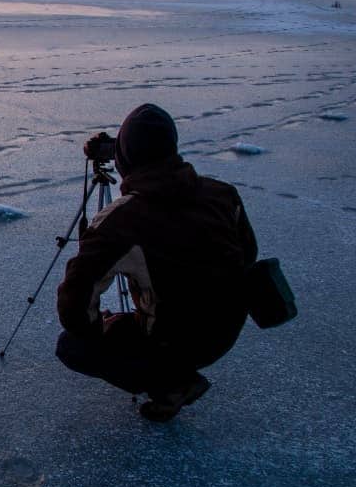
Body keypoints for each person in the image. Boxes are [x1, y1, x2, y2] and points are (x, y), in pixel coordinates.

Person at [55, 103, 258, 422]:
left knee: (72, 346)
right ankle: (172, 367)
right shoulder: (223, 194)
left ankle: (173, 384)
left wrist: (101, 330)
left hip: (175, 341)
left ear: (124, 158)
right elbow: (248, 255)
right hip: (225, 332)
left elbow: (74, 302)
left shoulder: (122, 221)